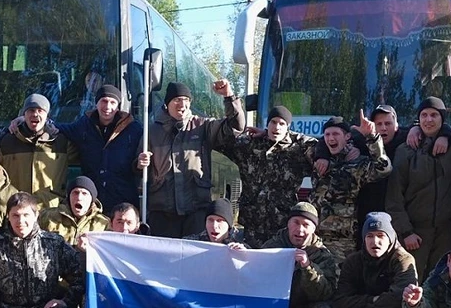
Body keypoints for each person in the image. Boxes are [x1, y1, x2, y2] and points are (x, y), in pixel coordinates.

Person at [137, 80, 246, 238]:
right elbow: (137, 169)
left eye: (186, 100)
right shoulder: (151, 131)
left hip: (196, 210)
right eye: (177, 100)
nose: (182, 104)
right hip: (162, 213)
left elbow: (235, 127)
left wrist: (229, 97)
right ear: (167, 104)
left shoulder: (202, 126)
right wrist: (139, 164)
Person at [217, 105, 316, 248]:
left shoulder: (297, 150)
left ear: (288, 127)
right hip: (253, 222)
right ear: (267, 124)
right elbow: (223, 141)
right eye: (273, 123)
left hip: (281, 224)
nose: (277, 127)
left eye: (282, 124)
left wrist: (266, 132)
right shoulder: (251, 146)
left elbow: (318, 145)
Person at [385, 97, 451, 279]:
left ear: (442, 119)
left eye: (434, 115)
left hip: (445, 234)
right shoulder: (406, 149)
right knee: (410, 283)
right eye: (424, 115)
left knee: (441, 285)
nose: (428, 120)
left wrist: (446, 134)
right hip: (415, 234)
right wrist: (406, 231)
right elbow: (394, 196)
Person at [310, 113, 393, 264]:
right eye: (327, 134)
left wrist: (372, 136)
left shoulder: (357, 164)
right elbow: (295, 141)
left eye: (336, 134)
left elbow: (384, 168)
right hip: (314, 238)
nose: (331, 138)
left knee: (339, 283)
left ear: (347, 136)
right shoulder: (320, 159)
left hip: (342, 242)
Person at [48, 84, 142, 213]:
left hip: (123, 200)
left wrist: (140, 162)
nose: (107, 107)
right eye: (103, 101)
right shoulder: (83, 125)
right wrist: (23, 119)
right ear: (96, 103)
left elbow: (143, 155)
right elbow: (56, 128)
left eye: (112, 102)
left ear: (118, 106)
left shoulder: (134, 129)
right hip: (93, 202)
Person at [0, 93, 75, 211]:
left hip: (51, 211)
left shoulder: (62, 142)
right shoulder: (6, 141)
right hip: (16, 212)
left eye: (40, 110)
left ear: (47, 116)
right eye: (31, 110)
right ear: (24, 114)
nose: (35, 114)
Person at [38, 175, 111, 248]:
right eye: (75, 193)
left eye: (84, 193)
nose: (79, 197)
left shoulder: (104, 224)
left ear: (92, 200)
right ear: (69, 196)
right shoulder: (47, 216)